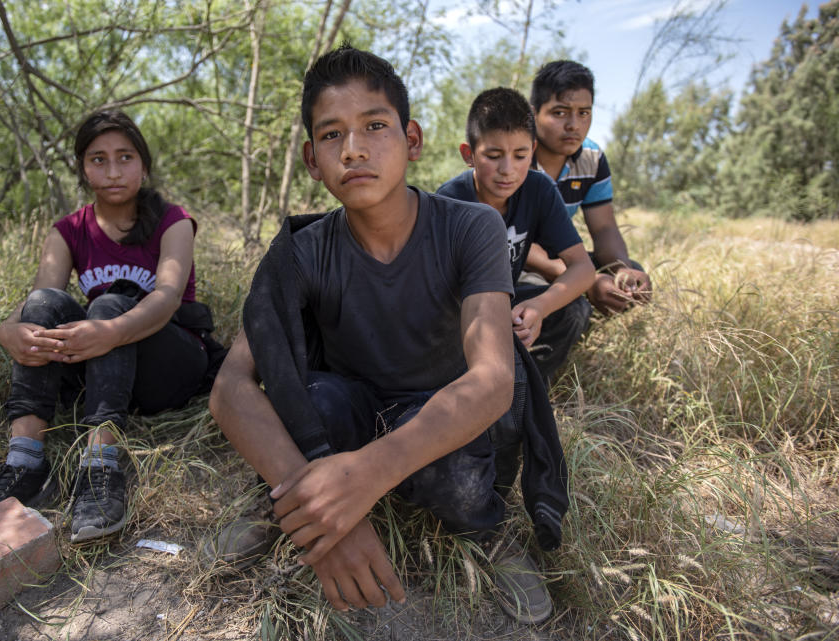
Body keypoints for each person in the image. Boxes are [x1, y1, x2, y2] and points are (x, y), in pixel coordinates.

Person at [208, 46, 568, 625]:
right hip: (353, 404)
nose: (353, 148)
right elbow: (231, 388)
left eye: (375, 126)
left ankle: (487, 530)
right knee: (311, 407)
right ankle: (288, 504)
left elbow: (495, 380)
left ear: (413, 140)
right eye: (332, 135)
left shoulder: (471, 226)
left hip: (436, 412)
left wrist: (369, 472)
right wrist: (321, 510)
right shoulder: (302, 251)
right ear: (311, 158)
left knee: (456, 480)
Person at [0, 111, 225, 543]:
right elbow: (40, 297)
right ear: (83, 167)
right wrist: (10, 331)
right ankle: (25, 462)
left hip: (170, 364)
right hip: (109, 371)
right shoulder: (68, 230)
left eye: (125, 157)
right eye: (99, 159)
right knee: (46, 304)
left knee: (111, 303)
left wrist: (113, 330)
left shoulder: (173, 221)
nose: (114, 171)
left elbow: (168, 297)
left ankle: (102, 466)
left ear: (143, 164)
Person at [436, 87, 595, 385]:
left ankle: (529, 386)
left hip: (509, 303)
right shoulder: (449, 201)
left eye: (520, 155)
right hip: (459, 313)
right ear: (468, 154)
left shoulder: (539, 190)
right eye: (493, 156)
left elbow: (583, 268)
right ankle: (476, 387)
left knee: (575, 310)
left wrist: (540, 306)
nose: (508, 170)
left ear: (533, 151)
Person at [521, 60, 653, 375]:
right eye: (559, 112)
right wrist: (584, 281)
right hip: (512, 259)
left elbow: (605, 227)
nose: (574, 125)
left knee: (632, 274)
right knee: (572, 304)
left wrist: (621, 270)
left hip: (562, 256)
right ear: (532, 113)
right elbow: (513, 242)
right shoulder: (516, 155)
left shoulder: (592, 159)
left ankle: (570, 342)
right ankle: (528, 391)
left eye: (584, 113)